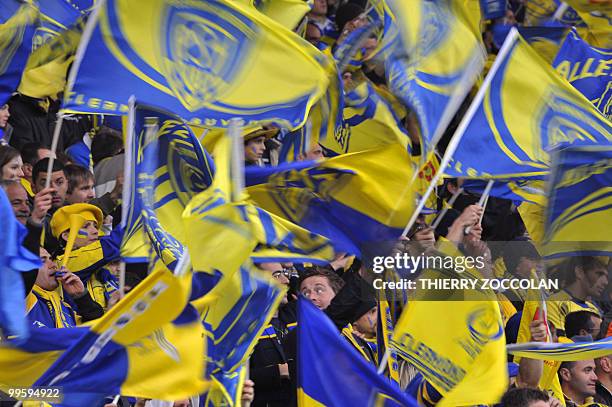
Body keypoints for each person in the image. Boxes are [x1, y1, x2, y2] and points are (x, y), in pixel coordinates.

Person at [50, 203, 122, 310]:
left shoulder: (102, 267)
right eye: (85, 226)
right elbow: (113, 243)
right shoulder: (63, 264)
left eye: (95, 226)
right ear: (66, 236)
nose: (95, 231)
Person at [250, 263, 295, 407]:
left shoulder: (295, 315)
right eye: (276, 275)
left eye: (284, 274)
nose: (286, 280)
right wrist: (278, 371)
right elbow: (230, 376)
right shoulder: (243, 327)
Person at [26, 247, 104, 328]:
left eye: (51, 259)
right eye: (42, 261)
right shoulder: (23, 299)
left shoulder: (66, 308)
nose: (54, 265)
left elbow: (93, 329)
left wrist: (82, 297)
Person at [547, 257, 607, 336]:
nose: (605, 282)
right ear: (579, 272)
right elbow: (559, 342)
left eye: (606, 276)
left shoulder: (594, 308)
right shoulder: (554, 303)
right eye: (599, 274)